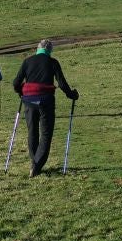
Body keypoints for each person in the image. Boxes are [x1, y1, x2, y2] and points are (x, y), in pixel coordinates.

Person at [11, 39, 79, 176]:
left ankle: (34, 163)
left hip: (29, 101)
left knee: (32, 132)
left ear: (37, 48)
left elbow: (16, 82)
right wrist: (72, 95)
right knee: (46, 134)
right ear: (50, 50)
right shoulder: (53, 62)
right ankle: (36, 166)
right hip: (45, 101)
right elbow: (62, 84)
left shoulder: (27, 61)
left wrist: (21, 92)